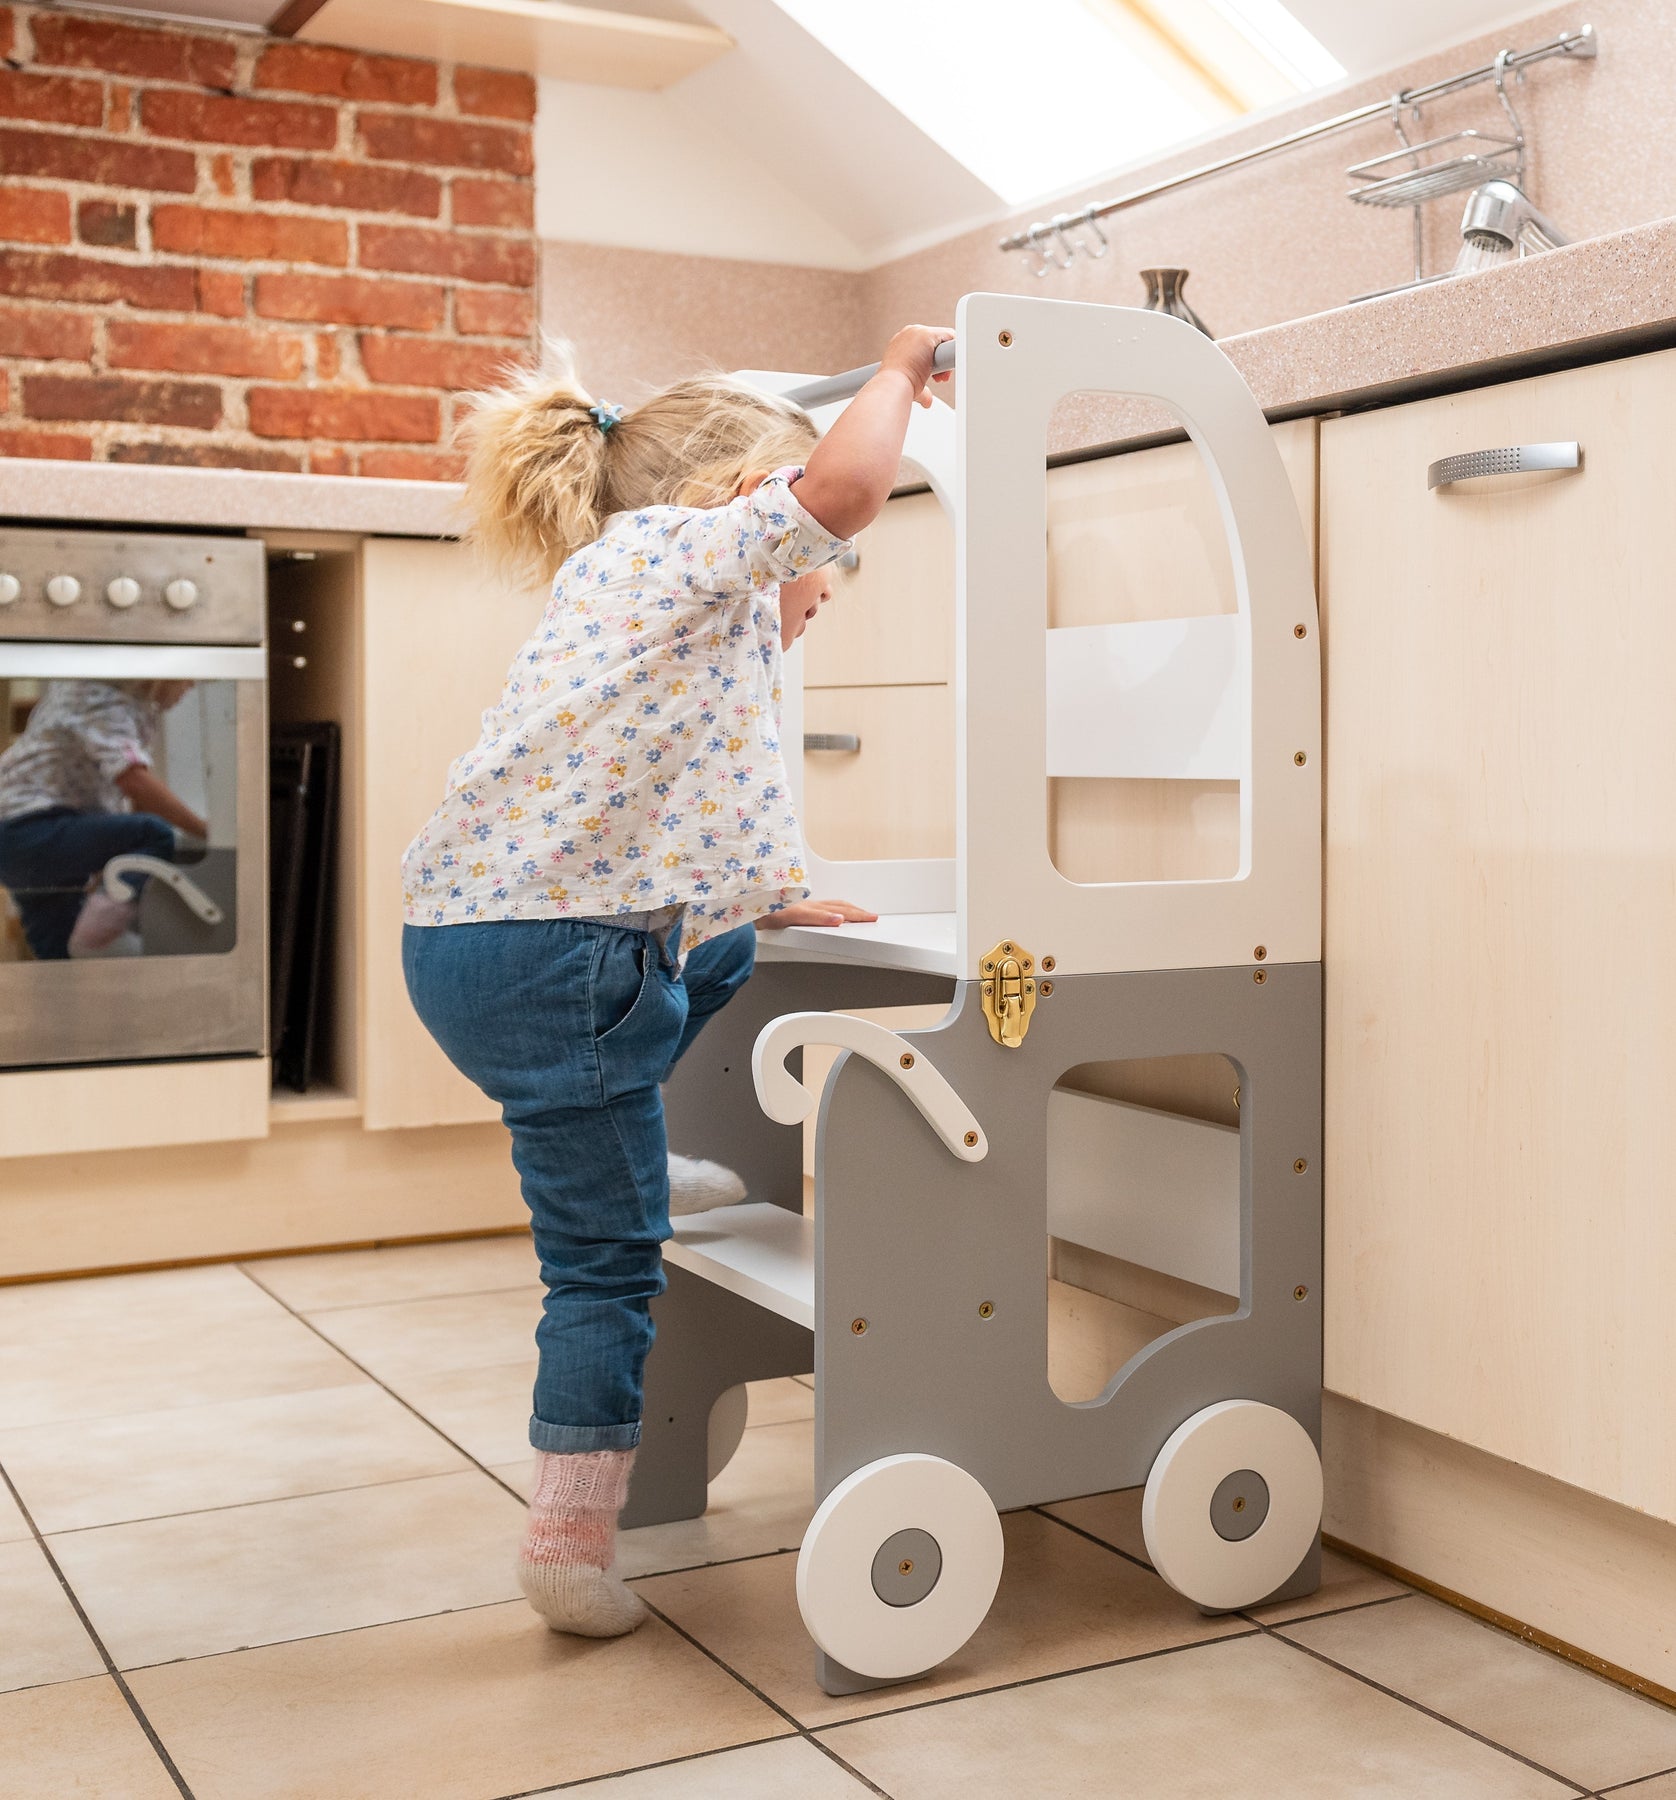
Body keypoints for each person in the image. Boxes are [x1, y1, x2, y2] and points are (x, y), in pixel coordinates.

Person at [400, 327, 953, 1638]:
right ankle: (567, 1545)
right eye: (821, 568)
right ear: (743, 499)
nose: (826, 585)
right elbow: (842, 492)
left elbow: (655, 786)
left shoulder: (630, 579)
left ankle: (640, 1137)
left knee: (731, 945)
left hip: (476, 939)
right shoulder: (685, 547)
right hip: (563, 955)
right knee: (604, 1269)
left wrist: (763, 887)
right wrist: (895, 373)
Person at [0, 678, 207, 961]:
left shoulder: (113, 703)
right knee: (154, 834)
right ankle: (97, 939)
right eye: (189, 678)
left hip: (18, 839)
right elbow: (134, 781)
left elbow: (129, 792)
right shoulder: (102, 698)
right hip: (31, 826)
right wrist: (206, 830)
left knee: (60, 956)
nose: (191, 686)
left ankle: (72, 972)